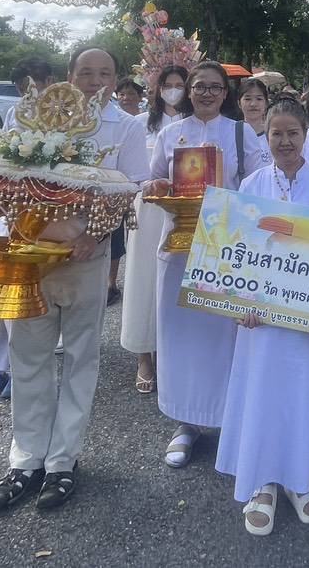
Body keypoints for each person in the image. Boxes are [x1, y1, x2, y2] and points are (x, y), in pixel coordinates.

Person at [0, 48, 149, 514]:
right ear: (69, 76)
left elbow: (130, 189)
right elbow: (10, 179)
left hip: (85, 257)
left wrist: (95, 235)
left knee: (82, 358)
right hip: (28, 255)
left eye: (105, 73)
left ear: (115, 79)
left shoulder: (126, 126)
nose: (95, 81)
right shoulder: (31, 118)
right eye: (86, 72)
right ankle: (25, 461)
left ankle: (63, 461)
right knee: (28, 356)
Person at [216, 99, 309, 534]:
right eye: (276, 134)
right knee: (262, 392)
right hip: (262, 318)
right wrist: (239, 303)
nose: (285, 141)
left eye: (292, 132)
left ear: (306, 133)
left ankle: (299, 478)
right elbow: (238, 249)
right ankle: (262, 480)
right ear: (265, 136)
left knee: (303, 392)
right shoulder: (251, 184)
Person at [144, 61, 270, 467]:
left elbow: (261, 186)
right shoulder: (169, 133)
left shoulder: (241, 133)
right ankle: (186, 422)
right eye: (200, 86)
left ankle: (233, 421)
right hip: (178, 247)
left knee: (226, 337)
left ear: (225, 93)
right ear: (188, 91)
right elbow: (152, 182)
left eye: (215, 87)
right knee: (182, 336)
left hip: (225, 251)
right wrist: (155, 186)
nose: (207, 94)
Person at [0, 56, 54, 401]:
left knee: (27, 297)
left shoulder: (66, 117)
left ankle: (21, 370)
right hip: (9, 210)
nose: (29, 95)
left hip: (45, 218)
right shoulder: (13, 115)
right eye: (23, 89)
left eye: (34, 86)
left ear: (49, 82)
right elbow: (4, 160)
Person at [119, 65, 188, 396]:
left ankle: (170, 355)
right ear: (157, 89)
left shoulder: (193, 123)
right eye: (168, 84)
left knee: (175, 284)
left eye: (180, 84)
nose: (173, 90)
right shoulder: (138, 123)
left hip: (183, 212)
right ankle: (143, 356)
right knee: (143, 280)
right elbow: (128, 171)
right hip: (147, 211)